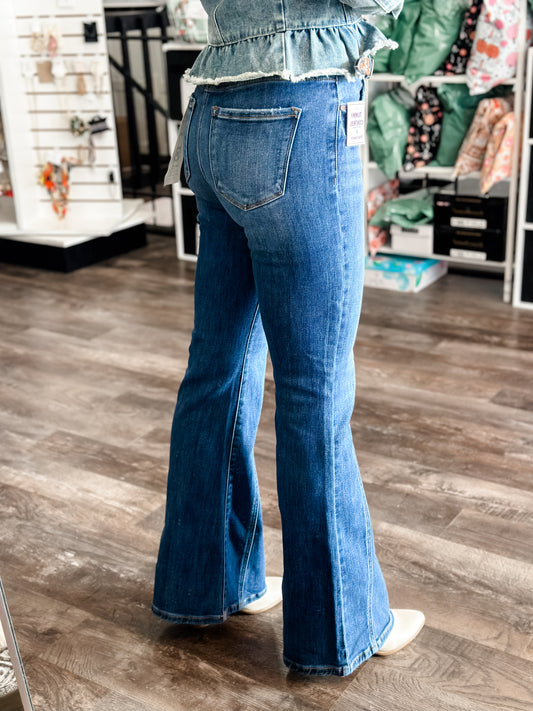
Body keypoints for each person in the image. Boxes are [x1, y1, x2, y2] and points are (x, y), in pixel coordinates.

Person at [153, 0, 424, 676]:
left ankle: (205, 584)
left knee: (215, 369)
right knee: (313, 388)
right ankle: (342, 627)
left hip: (213, 110)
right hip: (298, 108)